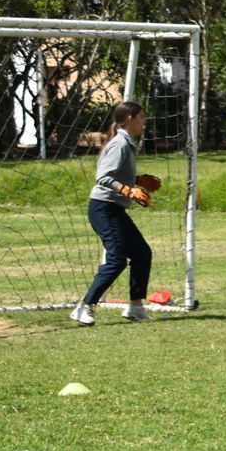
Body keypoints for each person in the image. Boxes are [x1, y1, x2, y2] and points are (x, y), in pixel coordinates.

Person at [71, 100, 159, 326]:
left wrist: (137, 180)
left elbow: (116, 173)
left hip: (114, 209)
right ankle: (84, 306)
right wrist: (129, 190)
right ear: (130, 119)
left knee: (142, 253)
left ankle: (135, 307)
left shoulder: (126, 142)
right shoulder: (120, 143)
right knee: (117, 259)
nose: (144, 121)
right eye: (142, 117)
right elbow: (103, 177)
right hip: (103, 208)